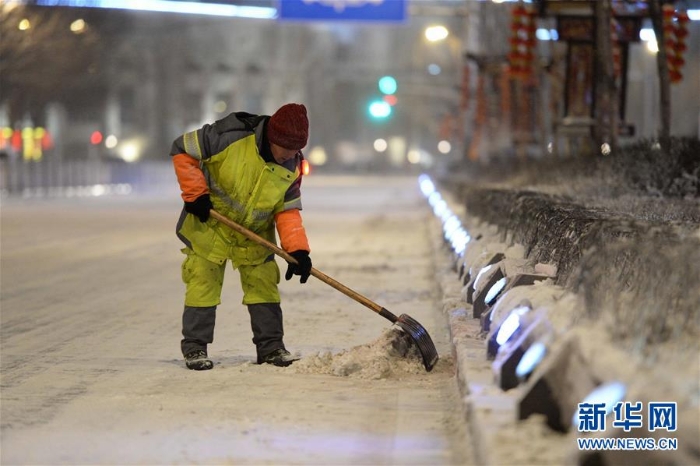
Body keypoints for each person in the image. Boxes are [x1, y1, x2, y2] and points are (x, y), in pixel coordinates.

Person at [170, 103, 313, 370]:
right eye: (287, 150)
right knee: (203, 283)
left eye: (296, 150)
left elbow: (288, 211)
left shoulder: (292, 164)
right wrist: (195, 195)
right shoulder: (230, 136)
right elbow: (181, 148)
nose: (291, 156)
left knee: (264, 283)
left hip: (254, 235)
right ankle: (195, 348)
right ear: (273, 138)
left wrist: (298, 250)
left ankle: (271, 348)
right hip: (210, 224)